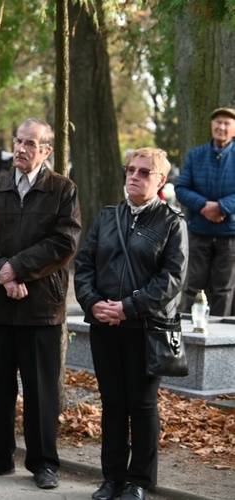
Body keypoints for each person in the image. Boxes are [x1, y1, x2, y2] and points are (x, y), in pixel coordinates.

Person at [0, 118, 81, 490]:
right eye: (19, 141)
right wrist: (3, 272)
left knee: (41, 390)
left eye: (31, 143)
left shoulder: (63, 190)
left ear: (46, 150)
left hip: (41, 306)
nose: (22, 148)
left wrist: (19, 269)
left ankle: (43, 462)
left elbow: (65, 242)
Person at [74, 148, 187, 500]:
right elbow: (84, 265)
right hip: (105, 326)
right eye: (131, 170)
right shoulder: (108, 218)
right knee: (112, 404)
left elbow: (171, 279)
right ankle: (112, 479)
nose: (134, 177)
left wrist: (128, 307)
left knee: (141, 406)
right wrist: (93, 304)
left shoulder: (172, 223)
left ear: (160, 181)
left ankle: (139, 481)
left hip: (145, 328)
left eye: (143, 172)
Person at [175, 107, 235, 316]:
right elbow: (181, 188)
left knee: (225, 289)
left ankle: (220, 339)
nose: (221, 127)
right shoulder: (196, 155)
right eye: (218, 122)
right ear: (211, 126)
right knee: (193, 284)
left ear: (234, 129)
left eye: (227, 123)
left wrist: (221, 207)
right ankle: (190, 331)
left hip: (230, 234)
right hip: (199, 231)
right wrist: (204, 206)